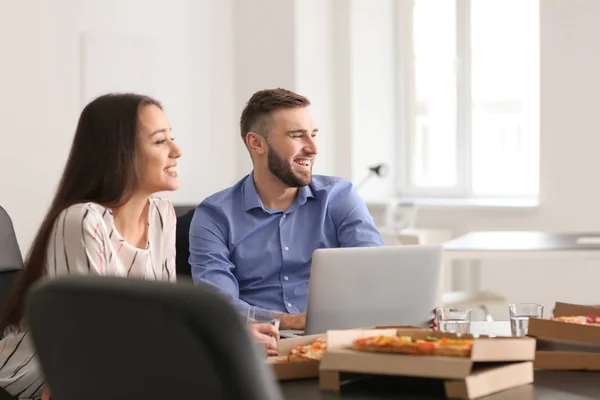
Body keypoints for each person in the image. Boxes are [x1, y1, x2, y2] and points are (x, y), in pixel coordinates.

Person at [0, 93, 276, 400]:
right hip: (45, 376)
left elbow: (164, 320)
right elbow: (93, 338)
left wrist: (230, 339)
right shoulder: (82, 221)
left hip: (127, 368)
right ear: (120, 153)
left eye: (173, 138)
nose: (177, 151)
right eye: (160, 142)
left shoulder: (162, 215)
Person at [189, 88, 384, 331]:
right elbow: (218, 305)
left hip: (334, 338)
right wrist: (286, 321)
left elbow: (376, 273)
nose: (313, 148)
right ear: (256, 143)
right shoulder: (214, 215)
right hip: (259, 347)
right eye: (297, 136)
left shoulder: (339, 196)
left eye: (313, 134)